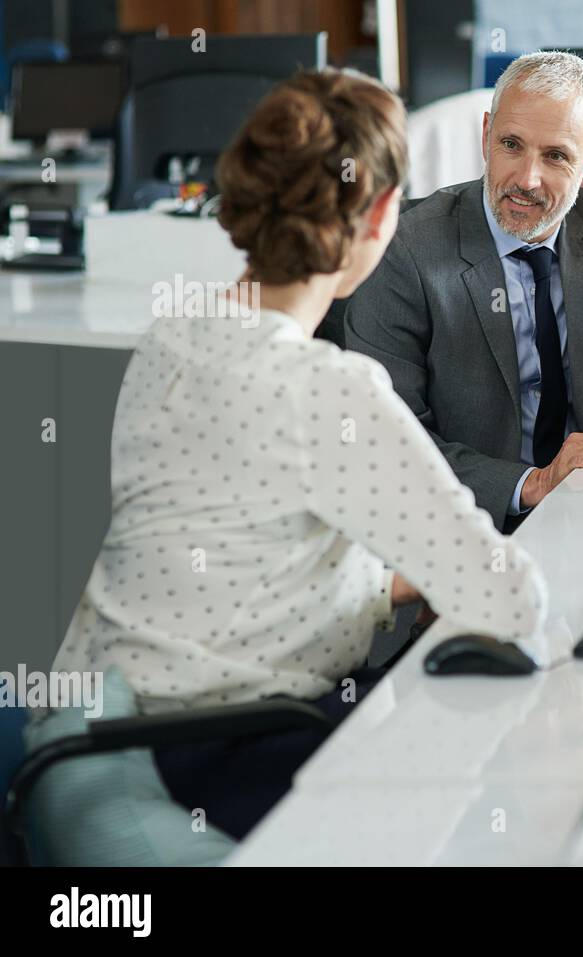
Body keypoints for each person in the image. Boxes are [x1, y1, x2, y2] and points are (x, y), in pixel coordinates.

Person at [41, 69, 548, 840]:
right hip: (205, 752)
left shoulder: (173, 336)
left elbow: (237, 561)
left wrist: (389, 586)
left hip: (90, 731)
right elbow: (509, 602)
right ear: (382, 217)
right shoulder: (329, 388)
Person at [345, 51, 583, 532]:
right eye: (511, 144)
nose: (526, 179)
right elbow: (387, 445)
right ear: (486, 136)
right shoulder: (403, 247)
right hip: (459, 528)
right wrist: (535, 483)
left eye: (555, 156)